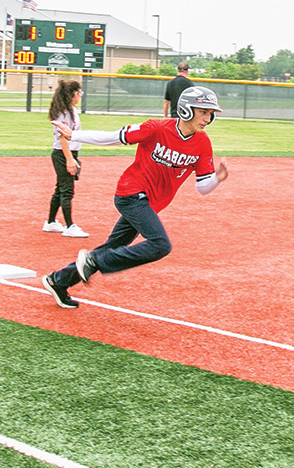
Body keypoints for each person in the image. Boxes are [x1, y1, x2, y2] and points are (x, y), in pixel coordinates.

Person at [42, 85, 229, 309]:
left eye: (210, 114)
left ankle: (59, 280)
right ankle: (94, 262)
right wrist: (74, 135)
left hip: (149, 203)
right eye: (203, 112)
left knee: (111, 247)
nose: (207, 118)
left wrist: (217, 178)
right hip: (131, 193)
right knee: (160, 245)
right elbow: (115, 137)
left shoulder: (202, 143)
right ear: (186, 110)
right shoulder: (156, 128)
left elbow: (202, 187)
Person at [43, 79, 88, 238]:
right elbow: (63, 137)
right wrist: (69, 159)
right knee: (67, 191)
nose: (80, 95)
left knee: (60, 188)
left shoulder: (71, 110)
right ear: (73, 94)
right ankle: (69, 226)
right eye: (79, 93)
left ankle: (50, 222)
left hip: (69, 152)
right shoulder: (64, 113)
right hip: (63, 153)